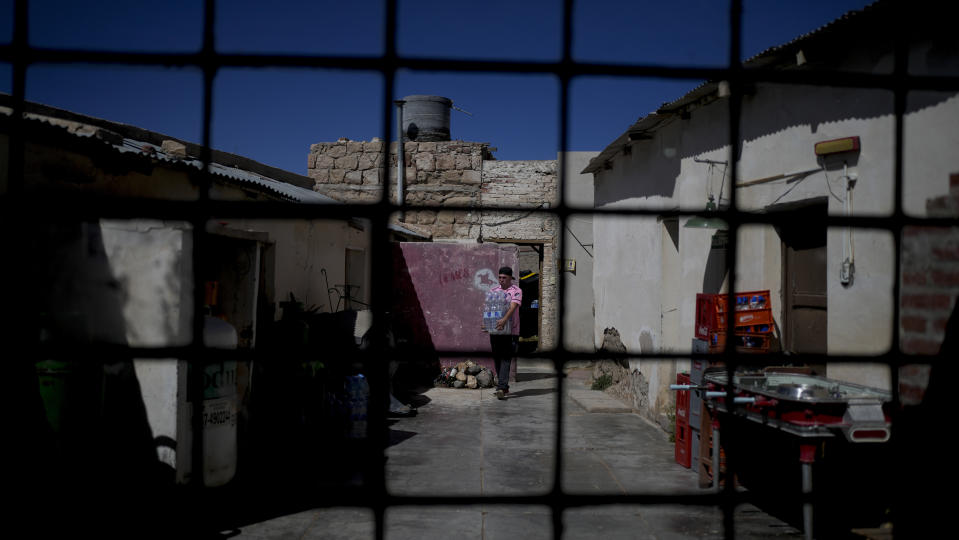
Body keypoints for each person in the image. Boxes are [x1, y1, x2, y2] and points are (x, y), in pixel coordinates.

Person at [485, 266, 522, 400]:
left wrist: (504, 320)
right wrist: (487, 324)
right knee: (497, 358)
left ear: (510, 278)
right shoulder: (493, 291)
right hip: (495, 331)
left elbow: (513, 306)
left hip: (511, 331)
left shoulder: (516, 291)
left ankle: (501, 387)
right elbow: (489, 308)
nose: (501, 280)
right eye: (499, 277)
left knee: (506, 358)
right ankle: (504, 386)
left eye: (504, 278)